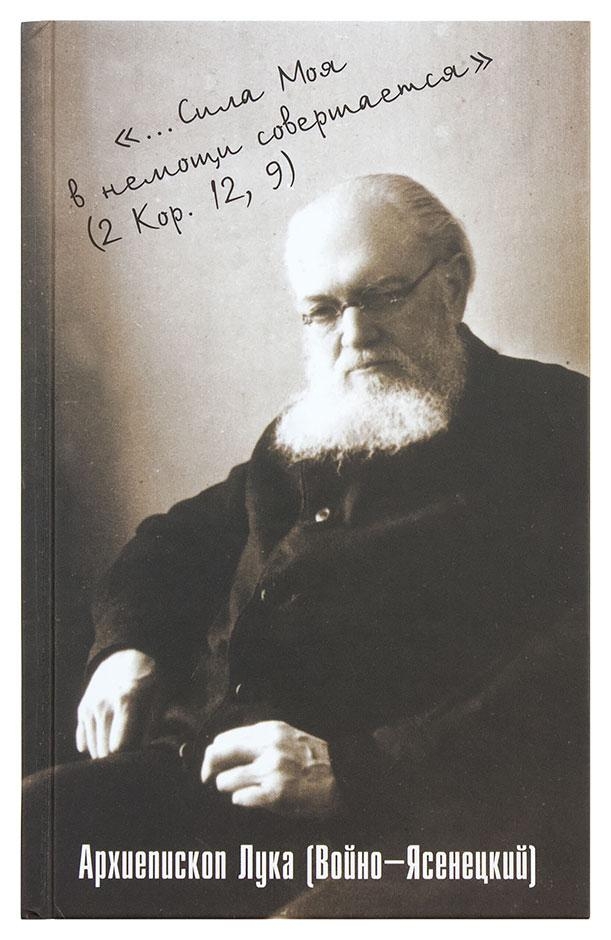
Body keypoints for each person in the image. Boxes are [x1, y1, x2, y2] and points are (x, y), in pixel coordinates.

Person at [23, 174, 588, 918]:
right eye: (322, 311)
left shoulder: (562, 428)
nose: (355, 334)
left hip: (420, 818)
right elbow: (175, 540)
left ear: (451, 285)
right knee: (32, 825)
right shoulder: (315, 425)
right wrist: (129, 646)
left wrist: (357, 771)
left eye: (384, 295)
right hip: (225, 784)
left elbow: (573, 677)